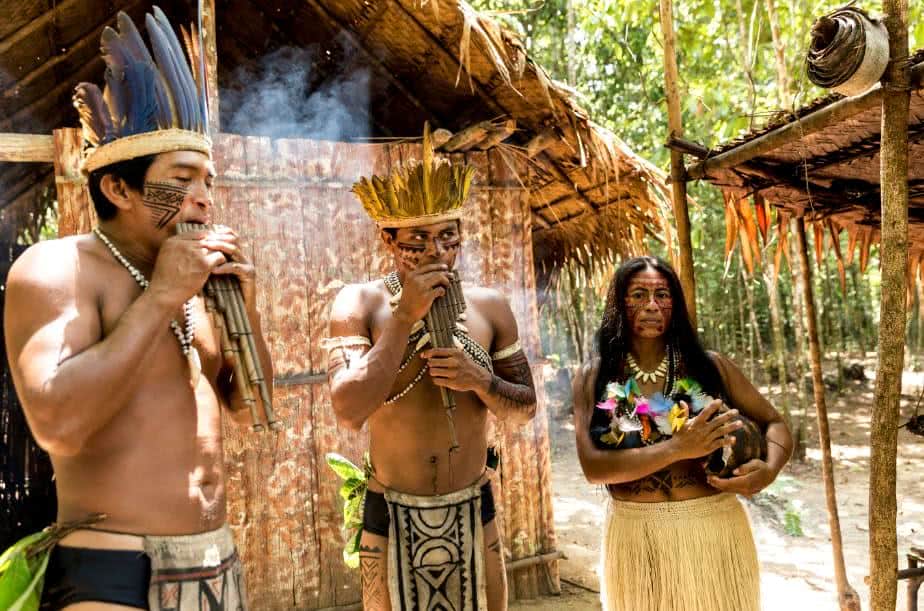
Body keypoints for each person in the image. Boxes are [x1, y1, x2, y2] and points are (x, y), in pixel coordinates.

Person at [3, 8, 271, 610]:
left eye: (208, 179)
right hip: (113, 570)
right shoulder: (56, 269)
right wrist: (161, 299)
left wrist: (244, 316)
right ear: (118, 189)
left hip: (215, 566)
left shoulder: (195, 282)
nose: (204, 198)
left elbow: (250, 413)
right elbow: (57, 426)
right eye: (182, 177)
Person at [325, 126, 537, 610]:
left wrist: (480, 380)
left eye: (447, 236)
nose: (437, 251)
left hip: (473, 509)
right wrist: (405, 317)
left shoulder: (490, 307)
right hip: (390, 512)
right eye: (417, 239)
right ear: (388, 238)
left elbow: (524, 410)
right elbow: (348, 408)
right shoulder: (358, 302)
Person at [572, 255, 793, 611]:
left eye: (662, 295)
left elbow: (776, 423)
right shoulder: (593, 377)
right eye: (638, 295)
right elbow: (593, 468)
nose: (651, 306)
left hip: (713, 534)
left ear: (675, 304)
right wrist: (678, 447)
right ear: (618, 303)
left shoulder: (711, 367)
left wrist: (768, 472)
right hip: (636, 541)